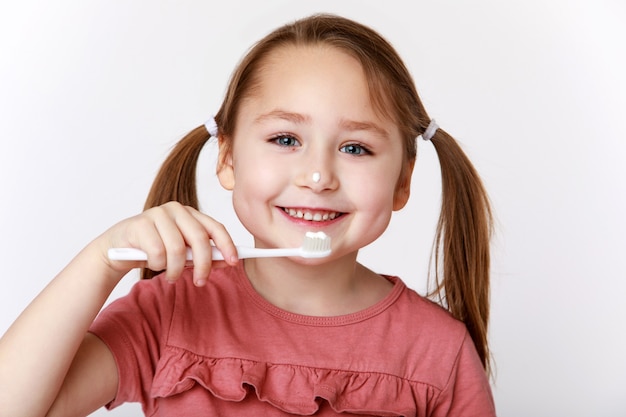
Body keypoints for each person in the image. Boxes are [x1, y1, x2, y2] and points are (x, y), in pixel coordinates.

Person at [0, 13, 496, 417]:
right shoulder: (170, 311)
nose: (318, 176)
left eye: (355, 148)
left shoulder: (438, 351)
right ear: (228, 159)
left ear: (402, 182)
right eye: (285, 140)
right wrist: (101, 260)